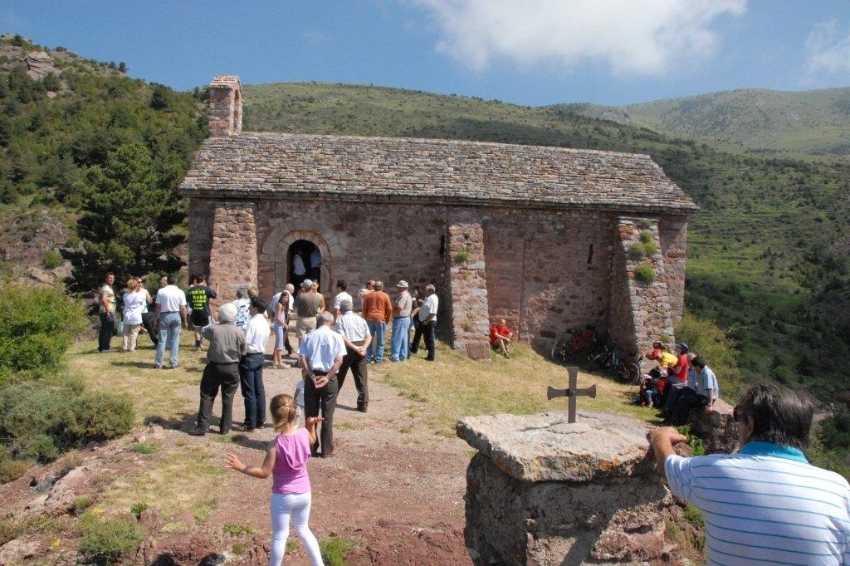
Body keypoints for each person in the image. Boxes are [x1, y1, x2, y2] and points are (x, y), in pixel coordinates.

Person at [650, 382, 850, 565]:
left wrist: (660, 438)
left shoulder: (714, 472)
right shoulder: (838, 490)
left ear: (750, 425)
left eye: (738, 416)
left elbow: (670, 467)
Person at [224, 395, 325, 566]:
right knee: (303, 530)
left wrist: (240, 466)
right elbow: (313, 441)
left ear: (274, 416)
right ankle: (318, 563)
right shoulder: (303, 434)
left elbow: (264, 472)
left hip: (283, 497)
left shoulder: (275, 445)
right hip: (304, 494)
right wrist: (311, 426)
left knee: (280, 535)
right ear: (294, 413)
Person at [190, 303, 246, 436]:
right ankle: (225, 427)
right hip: (232, 367)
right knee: (228, 397)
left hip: (214, 365)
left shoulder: (214, 329)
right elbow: (244, 350)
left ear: (221, 315)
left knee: (207, 395)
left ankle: (202, 425)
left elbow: (204, 331)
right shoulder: (239, 331)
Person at [298, 311, 345, 457]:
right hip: (329, 378)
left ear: (319, 321)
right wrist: (328, 376)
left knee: (310, 414)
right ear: (331, 322)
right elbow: (339, 361)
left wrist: (311, 375)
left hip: (312, 377)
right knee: (328, 414)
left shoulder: (309, 336)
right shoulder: (337, 337)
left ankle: (310, 447)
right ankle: (327, 449)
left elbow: (302, 358)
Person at [335, 299, 372, 412]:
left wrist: (355, 348)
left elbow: (342, 337)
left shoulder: (340, 320)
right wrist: (364, 348)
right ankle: (363, 403)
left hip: (347, 348)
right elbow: (368, 336)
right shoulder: (360, 319)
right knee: (361, 378)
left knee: (338, 376)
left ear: (341, 310)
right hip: (361, 346)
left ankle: (331, 399)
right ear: (352, 308)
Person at [240, 297, 271, 432]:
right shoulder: (265, 322)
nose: (248, 309)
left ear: (255, 308)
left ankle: (250, 422)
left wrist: (241, 354)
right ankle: (260, 420)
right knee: (259, 389)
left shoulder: (252, 323)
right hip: (259, 356)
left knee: (249, 391)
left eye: (250, 307)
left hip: (250, 356)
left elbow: (246, 342)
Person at [668, 356, 719, 425]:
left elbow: (710, 389)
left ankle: (679, 423)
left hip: (706, 398)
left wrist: (710, 405)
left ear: (697, 367)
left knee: (684, 399)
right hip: (700, 394)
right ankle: (675, 420)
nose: (693, 369)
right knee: (682, 398)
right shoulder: (700, 371)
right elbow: (697, 384)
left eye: (694, 367)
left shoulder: (707, 373)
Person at [153, 273, 188, 369]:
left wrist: (155, 319)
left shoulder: (161, 291)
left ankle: (159, 363)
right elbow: (183, 308)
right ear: (175, 281)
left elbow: (158, 307)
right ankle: (173, 362)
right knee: (175, 340)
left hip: (165, 314)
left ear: (167, 281)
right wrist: (185, 320)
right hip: (176, 314)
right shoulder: (180, 292)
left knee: (162, 340)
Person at [362, 280, 392, 364]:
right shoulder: (385, 296)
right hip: (380, 319)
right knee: (380, 340)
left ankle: (368, 357)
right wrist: (387, 319)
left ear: (374, 287)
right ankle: (378, 359)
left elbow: (364, 309)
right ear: (382, 287)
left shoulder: (369, 295)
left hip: (370, 318)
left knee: (369, 339)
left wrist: (366, 317)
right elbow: (389, 309)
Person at [186, 274, 218, 351]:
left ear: (196, 281)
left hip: (195, 313)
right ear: (203, 280)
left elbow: (188, 300)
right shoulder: (207, 289)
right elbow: (215, 296)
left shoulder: (191, 290)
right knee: (208, 329)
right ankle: (213, 345)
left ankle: (198, 347)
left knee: (197, 330)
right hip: (205, 313)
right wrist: (217, 287)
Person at [410, 284, 438, 361]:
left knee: (429, 338)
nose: (424, 291)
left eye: (426, 290)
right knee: (418, 334)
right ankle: (414, 349)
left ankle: (431, 356)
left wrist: (426, 321)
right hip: (423, 320)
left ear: (431, 291)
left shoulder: (433, 299)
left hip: (428, 321)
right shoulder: (429, 298)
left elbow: (433, 312)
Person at [120, 278, 147, 352]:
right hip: (135, 315)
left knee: (125, 332)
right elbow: (142, 302)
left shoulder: (125, 295)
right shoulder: (139, 295)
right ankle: (131, 347)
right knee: (133, 332)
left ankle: (124, 346)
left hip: (127, 315)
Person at [294, 279, 323, 344]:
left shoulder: (301, 296)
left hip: (302, 318)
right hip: (313, 319)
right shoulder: (318, 297)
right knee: (311, 339)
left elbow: (295, 307)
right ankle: (309, 353)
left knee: (301, 339)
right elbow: (320, 306)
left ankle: (302, 354)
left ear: (306, 287)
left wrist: (296, 315)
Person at [390, 280, 412, 362]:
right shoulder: (407, 295)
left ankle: (395, 356)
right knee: (403, 338)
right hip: (405, 318)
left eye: (399, 287)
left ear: (403, 288)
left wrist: (392, 310)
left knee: (397, 337)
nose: (397, 288)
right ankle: (403, 356)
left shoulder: (403, 295)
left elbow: (399, 308)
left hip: (401, 318)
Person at [97, 272, 116, 353]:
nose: (112, 279)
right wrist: (108, 311)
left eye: (113, 278)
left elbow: (100, 300)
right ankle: (105, 347)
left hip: (104, 310)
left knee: (104, 329)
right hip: (107, 311)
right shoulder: (106, 288)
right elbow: (104, 299)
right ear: (106, 279)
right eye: (110, 278)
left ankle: (101, 347)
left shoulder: (107, 288)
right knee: (108, 329)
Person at [272, 289, 291, 368]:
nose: (286, 299)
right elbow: (277, 317)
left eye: (287, 298)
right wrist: (285, 324)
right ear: (281, 297)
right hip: (279, 325)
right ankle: (280, 363)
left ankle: (275, 361)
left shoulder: (283, 305)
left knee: (277, 343)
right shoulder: (279, 305)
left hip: (280, 325)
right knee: (280, 344)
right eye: (284, 297)